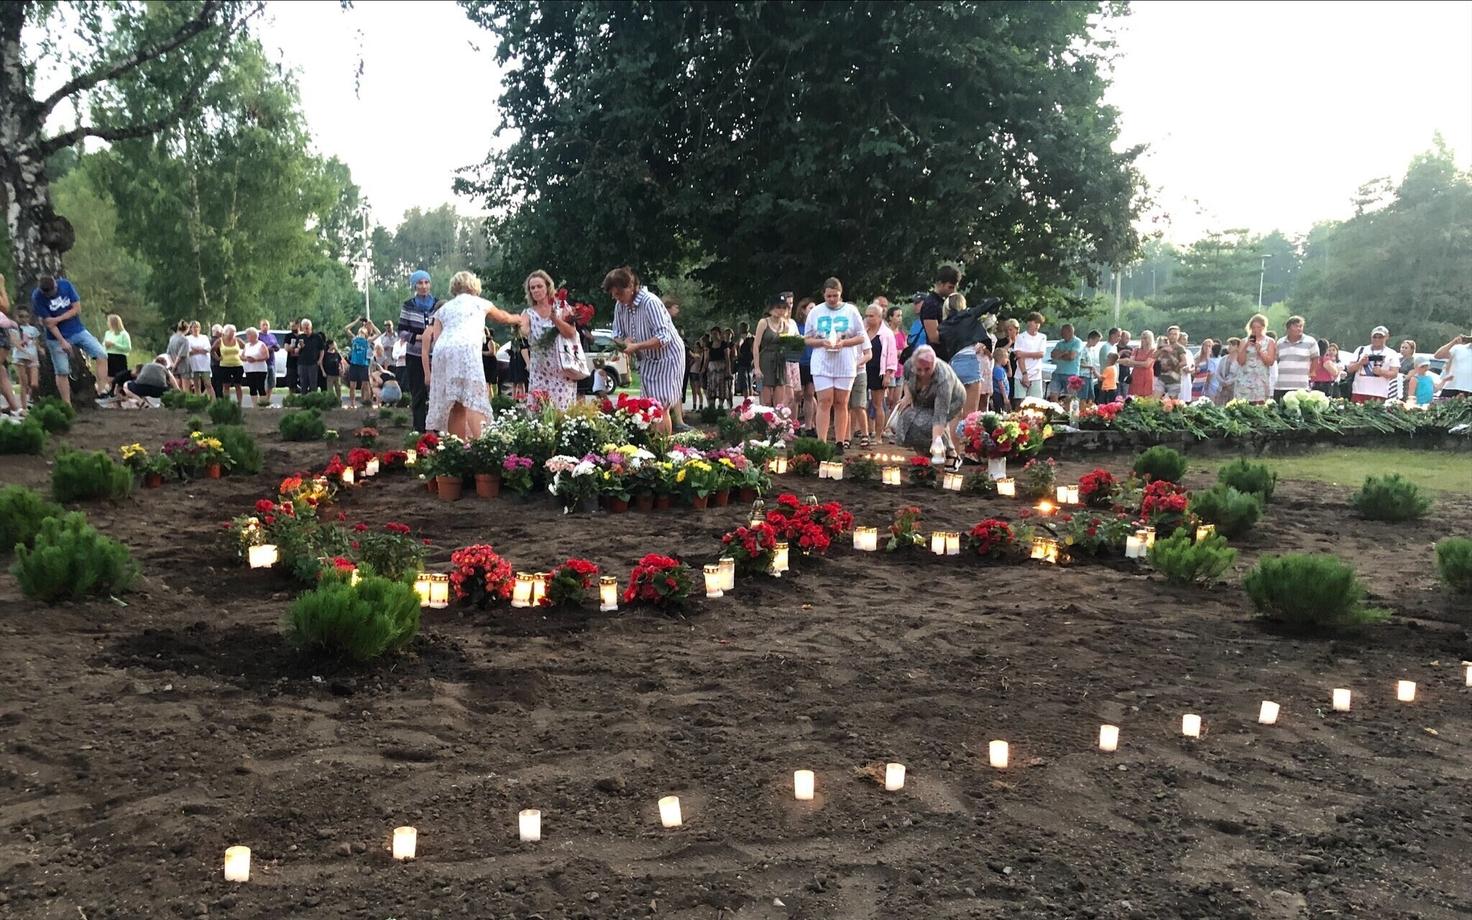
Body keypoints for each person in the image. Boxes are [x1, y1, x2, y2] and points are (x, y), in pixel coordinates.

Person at [423, 271, 521, 439]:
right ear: (474, 286)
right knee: (475, 400)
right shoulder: (479, 303)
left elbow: (437, 339)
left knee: (457, 403)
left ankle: (456, 445)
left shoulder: (444, 309)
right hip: (466, 349)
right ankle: (483, 445)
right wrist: (517, 319)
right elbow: (503, 317)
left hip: (443, 351)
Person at [604, 266, 685, 436]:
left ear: (631, 287)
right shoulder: (620, 306)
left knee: (661, 405)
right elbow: (616, 335)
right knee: (648, 404)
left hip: (667, 357)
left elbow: (664, 337)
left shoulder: (650, 303)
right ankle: (652, 443)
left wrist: (637, 346)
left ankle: (663, 448)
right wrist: (623, 342)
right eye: (613, 294)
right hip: (647, 359)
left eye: (618, 293)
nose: (615, 297)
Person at [804, 278, 865, 451]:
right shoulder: (816, 312)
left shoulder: (851, 311)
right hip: (822, 361)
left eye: (835, 296)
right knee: (824, 400)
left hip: (845, 361)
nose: (832, 299)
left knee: (841, 401)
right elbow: (807, 339)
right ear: (824, 294)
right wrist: (821, 342)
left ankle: (839, 441)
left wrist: (844, 343)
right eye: (829, 296)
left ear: (841, 294)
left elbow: (861, 336)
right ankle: (821, 441)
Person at [31, 275, 109, 405]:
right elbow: (48, 324)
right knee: (62, 370)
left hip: (77, 330)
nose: (51, 295)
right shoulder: (37, 297)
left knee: (101, 354)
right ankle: (66, 404)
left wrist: (57, 319)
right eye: (48, 294)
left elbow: (76, 309)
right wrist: (62, 341)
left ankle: (102, 391)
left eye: (53, 292)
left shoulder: (65, 285)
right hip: (56, 337)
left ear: (55, 284)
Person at [890, 345, 966, 463]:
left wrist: (936, 441)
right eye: (919, 370)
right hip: (923, 397)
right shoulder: (909, 365)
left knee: (929, 424)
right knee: (908, 418)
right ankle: (922, 456)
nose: (923, 373)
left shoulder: (943, 378)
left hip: (953, 400)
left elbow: (940, 415)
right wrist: (908, 395)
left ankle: (950, 453)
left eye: (927, 369)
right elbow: (906, 379)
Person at [521, 270, 579, 410]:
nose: (536, 290)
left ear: (548, 286)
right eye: (532, 287)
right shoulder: (528, 313)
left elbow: (571, 333)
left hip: (562, 370)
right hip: (539, 372)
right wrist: (519, 326)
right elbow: (524, 331)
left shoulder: (561, 307)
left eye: (539, 286)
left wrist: (554, 318)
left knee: (561, 415)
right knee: (539, 415)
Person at [398, 270, 441, 430]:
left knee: (437, 392)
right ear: (414, 285)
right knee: (418, 393)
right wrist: (420, 337)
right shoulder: (408, 306)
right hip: (414, 355)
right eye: (420, 283)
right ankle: (419, 430)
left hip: (435, 355)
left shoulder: (437, 305)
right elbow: (401, 331)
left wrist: (433, 337)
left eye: (426, 282)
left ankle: (437, 429)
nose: (424, 286)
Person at [943, 292, 988, 414]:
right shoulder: (969, 319)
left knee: (954, 413)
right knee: (970, 414)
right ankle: (966, 433)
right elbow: (990, 304)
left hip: (954, 364)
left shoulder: (946, 324)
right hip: (970, 362)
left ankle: (953, 434)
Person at [753, 293, 795, 410]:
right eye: (777, 307)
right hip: (765, 360)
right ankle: (763, 423)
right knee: (765, 400)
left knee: (779, 401)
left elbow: (786, 346)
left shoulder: (785, 325)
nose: (780, 311)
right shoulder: (763, 322)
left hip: (779, 362)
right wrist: (757, 367)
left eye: (783, 308)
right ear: (771, 308)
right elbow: (756, 345)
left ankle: (777, 424)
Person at [863, 301, 896, 445]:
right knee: (859, 404)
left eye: (872, 316)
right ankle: (865, 432)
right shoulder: (862, 332)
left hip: (879, 371)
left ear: (879, 317)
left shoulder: (887, 334)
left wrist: (888, 375)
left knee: (877, 404)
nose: (869, 319)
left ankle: (878, 436)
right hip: (863, 370)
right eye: (867, 316)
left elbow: (891, 356)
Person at [1345, 325, 1398, 404]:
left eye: (1380, 337)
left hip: (1380, 393)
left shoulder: (1391, 353)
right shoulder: (1361, 350)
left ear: (1386, 337)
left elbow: (1394, 373)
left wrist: (1381, 372)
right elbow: (1349, 369)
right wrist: (1360, 363)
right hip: (1359, 391)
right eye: (1375, 337)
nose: (1377, 339)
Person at [917, 265, 960, 355]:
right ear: (940, 283)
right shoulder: (931, 304)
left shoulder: (943, 302)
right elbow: (934, 337)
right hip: (937, 356)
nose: (953, 291)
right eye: (950, 287)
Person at [1234, 314, 1275, 403]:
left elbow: (1270, 362)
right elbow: (1240, 361)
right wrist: (1245, 346)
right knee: (1243, 405)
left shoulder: (1269, 341)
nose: (1256, 330)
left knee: (1260, 405)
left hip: (1261, 379)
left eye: (1259, 327)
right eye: (1253, 327)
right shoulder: (1244, 341)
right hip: (1245, 379)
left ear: (1263, 327)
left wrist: (1260, 351)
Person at [1273, 315, 1317, 399]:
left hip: (1301, 387)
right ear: (1288, 328)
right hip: (1281, 385)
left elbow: (1315, 358)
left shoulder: (1310, 341)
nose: (1299, 328)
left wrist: (1312, 372)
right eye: (1296, 326)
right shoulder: (1280, 342)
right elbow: (1276, 359)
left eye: (1301, 326)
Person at [341, 318, 379, 409]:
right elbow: (346, 329)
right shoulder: (354, 339)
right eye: (360, 331)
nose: (360, 333)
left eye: (362, 332)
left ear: (365, 334)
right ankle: (352, 403)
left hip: (363, 365)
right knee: (352, 385)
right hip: (354, 365)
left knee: (366, 384)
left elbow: (378, 333)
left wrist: (372, 324)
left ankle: (367, 402)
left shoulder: (367, 341)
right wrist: (357, 321)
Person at [1047, 322, 1082, 401]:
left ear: (1070, 332)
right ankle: (1055, 411)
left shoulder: (1077, 342)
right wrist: (1065, 353)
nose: (1061, 334)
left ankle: (1068, 413)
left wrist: (1060, 355)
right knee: (1053, 394)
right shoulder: (1060, 343)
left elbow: (1071, 356)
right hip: (1058, 373)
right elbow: (1053, 355)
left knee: (1070, 397)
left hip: (1071, 374)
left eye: (1063, 332)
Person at [1433, 332, 1472, 398]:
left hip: (1469, 390)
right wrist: (1453, 342)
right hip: (1451, 387)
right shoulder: (1458, 348)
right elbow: (1438, 355)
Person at [1155, 326, 1188, 399]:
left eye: (1175, 334)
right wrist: (1163, 349)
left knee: (1171, 404)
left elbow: (1184, 362)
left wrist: (1175, 367)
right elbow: (1154, 356)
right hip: (1162, 378)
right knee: (1154, 400)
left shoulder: (1180, 348)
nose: (1173, 336)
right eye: (1171, 334)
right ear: (1168, 335)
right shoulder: (1163, 346)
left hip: (1174, 379)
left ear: (1178, 336)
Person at [102, 314, 132, 395]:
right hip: (109, 356)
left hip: (119, 357)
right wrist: (106, 345)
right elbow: (103, 344)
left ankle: (118, 391)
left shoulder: (124, 334)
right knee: (109, 376)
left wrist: (114, 344)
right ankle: (110, 391)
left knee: (119, 376)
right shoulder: (108, 333)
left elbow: (128, 348)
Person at [296, 319, 327, 394]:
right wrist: (299, 347)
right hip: (302, 363)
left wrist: (320, 360)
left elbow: (322, 350)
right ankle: (303, 400)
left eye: (307, 327)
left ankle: (313, 400)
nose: (306, 329)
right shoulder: (300, 337)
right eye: (304, 327)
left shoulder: (317, 337)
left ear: (311, 327)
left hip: (313, 363)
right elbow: (295, 351)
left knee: (313, 384)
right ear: (302, 328)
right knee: (303, 384)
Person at [241, 327, 271, 406]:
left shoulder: (261, 344)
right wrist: (246, 359)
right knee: (252, 387)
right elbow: (242, 356)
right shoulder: (247, 345)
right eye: (247, 335)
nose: (248, 337)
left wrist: (256, 359)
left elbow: (266, 356)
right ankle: (255, 405)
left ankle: (263, 404)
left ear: (254, 336)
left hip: (260, 369)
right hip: (249, 370)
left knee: (260, 387)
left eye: (249, 335)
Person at [185, 321, 213, 400]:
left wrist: (196, 349)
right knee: (196, 384)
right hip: (194, 365)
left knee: (208, 383)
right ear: (191, 329)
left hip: (205, 365)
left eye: (197, 327)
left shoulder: (204, 337)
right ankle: (198, 400)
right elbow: (189, 351)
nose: (196, 329)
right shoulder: (188, 339)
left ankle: (213, 400)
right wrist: (200, 350)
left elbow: (207, 349)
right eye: (194, 327)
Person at [1124, 330, 1156, 398]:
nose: (1143, 340)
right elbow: (1130, 363)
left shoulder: (1153, 351)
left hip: (1147, 376)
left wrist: (1135, 363)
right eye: (1142, 338)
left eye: (1145, 338)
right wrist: (1140, 363)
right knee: (1133, 396)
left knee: (1146, 396)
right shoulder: (1136, 350)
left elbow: (1147, 364)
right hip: (1136, 375)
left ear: (1150, 339)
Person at [706, 327, 732, 410]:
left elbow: (727, 358)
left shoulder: (724, 344)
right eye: (712, 334)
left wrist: (728, 370)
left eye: (715, 333)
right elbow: (707, 358)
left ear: (719, 334)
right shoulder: (709, 345)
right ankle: (712, 406)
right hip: (712, 368)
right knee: (711, 387)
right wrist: (704, 368)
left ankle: (721, 405)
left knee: (722, 388)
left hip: (721, 367)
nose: (713, 335)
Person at [256, 320, 279, 405]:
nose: (265, 326)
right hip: (262, 362)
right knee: (263, 382)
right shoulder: (258, 336)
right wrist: (268, 348)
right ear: (260, 326)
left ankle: (268, 399)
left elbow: (276, 346)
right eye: (263, 325)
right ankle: (262, 400)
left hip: (271, 362)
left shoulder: (272, 336)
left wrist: (275, 347)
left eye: (267, 325)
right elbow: (259, 347)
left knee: (271, 382)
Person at [686, 335, 707, 412]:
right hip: (691, 373)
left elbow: (694, 356)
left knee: (698, 390)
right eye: (695, 347)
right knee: (693, 391)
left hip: (696, 373)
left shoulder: (700, 355)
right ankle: (694, 406)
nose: (696, 349)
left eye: (697, 347)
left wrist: (688, 350)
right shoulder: (695, 355)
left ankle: (700, 405)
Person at [989, 343, 1012, 412]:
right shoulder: (997, 370)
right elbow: (1000, 384)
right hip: (999, 394)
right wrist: (1005, 397)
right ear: (1001, 359)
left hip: (1004, 394)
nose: (1007, 360)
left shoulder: (1001, 369)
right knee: (1000, 411)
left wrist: (1009, 365)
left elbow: (1010, 375)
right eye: (1006, 358)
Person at [282, 319, 301, 394]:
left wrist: (299, 349)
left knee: (303, 383)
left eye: (293, 326)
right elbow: (286, 348)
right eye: (291, 326)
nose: (292, 328)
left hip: (301, 362)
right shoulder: (288, 336)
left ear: (298, 325)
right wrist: (293, 348)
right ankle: (291, 399)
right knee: (291, 384)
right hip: (291, 363)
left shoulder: (302, 336)